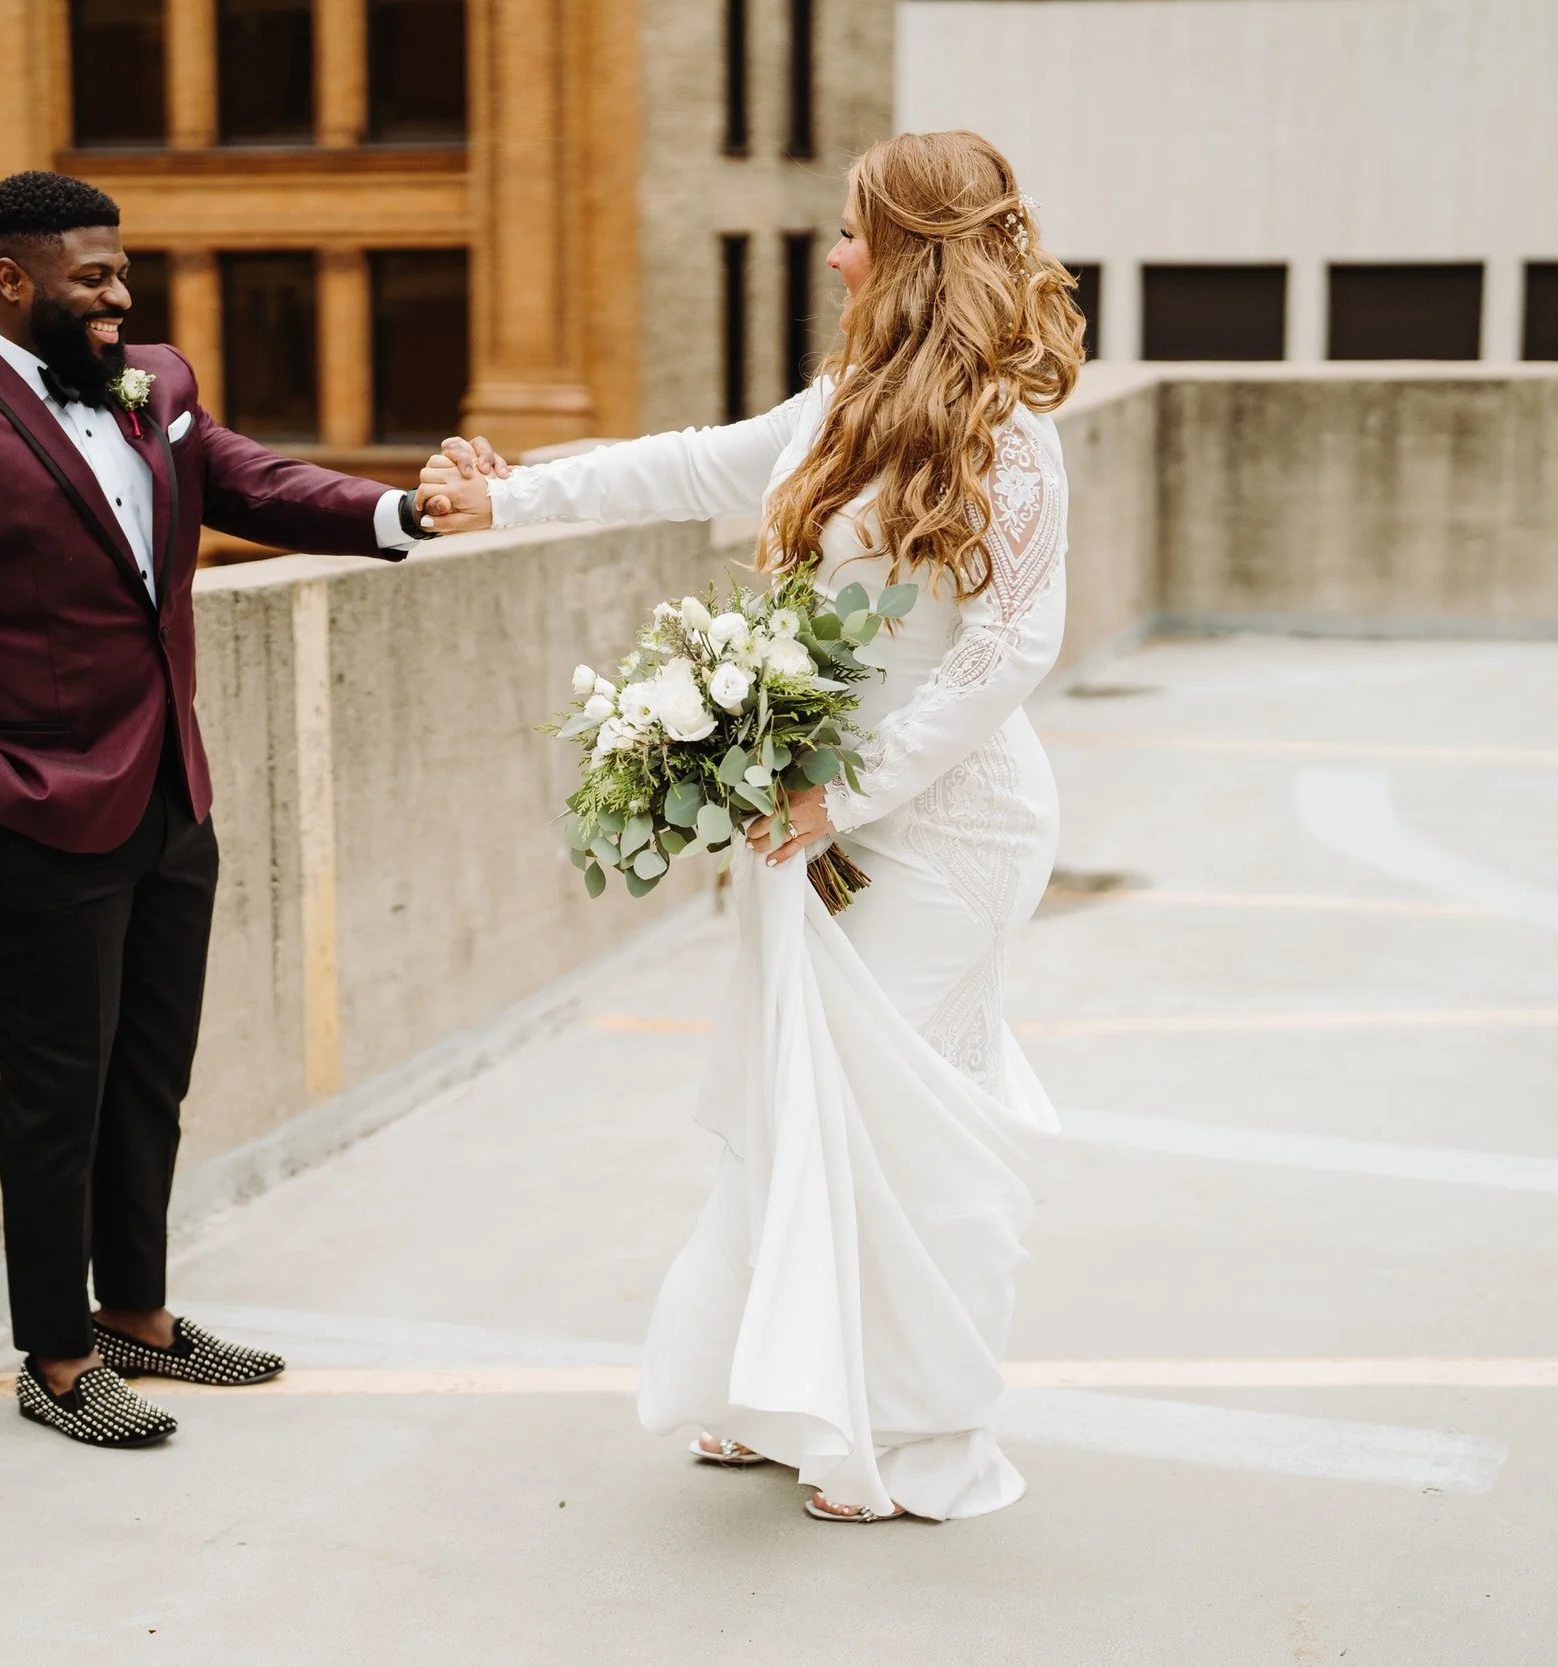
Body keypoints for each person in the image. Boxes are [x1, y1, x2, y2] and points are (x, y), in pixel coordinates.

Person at [418, 131, 1083, 1521]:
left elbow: (1009, 647)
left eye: (850, 232)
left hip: (949, 827)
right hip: (814, 820)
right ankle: (785, 1390)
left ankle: (914, 1434)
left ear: (906, 253)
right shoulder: (839, 405)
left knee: (889, 1125)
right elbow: (685, 468)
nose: (832, 255)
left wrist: (849, 787)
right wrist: (506, 498)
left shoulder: (1010, 439)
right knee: (801, 1104)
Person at [0, 171, 446, 1447]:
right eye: (92, 276)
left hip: (171, 792)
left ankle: (142, 1317)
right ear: (11, 279)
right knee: (58, 1089)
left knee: (150, 1077)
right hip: (30, 819)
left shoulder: (153, 383)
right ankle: (57, 1358)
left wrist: (403, 509)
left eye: (122, 270)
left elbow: (257, 484)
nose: (122, 294)